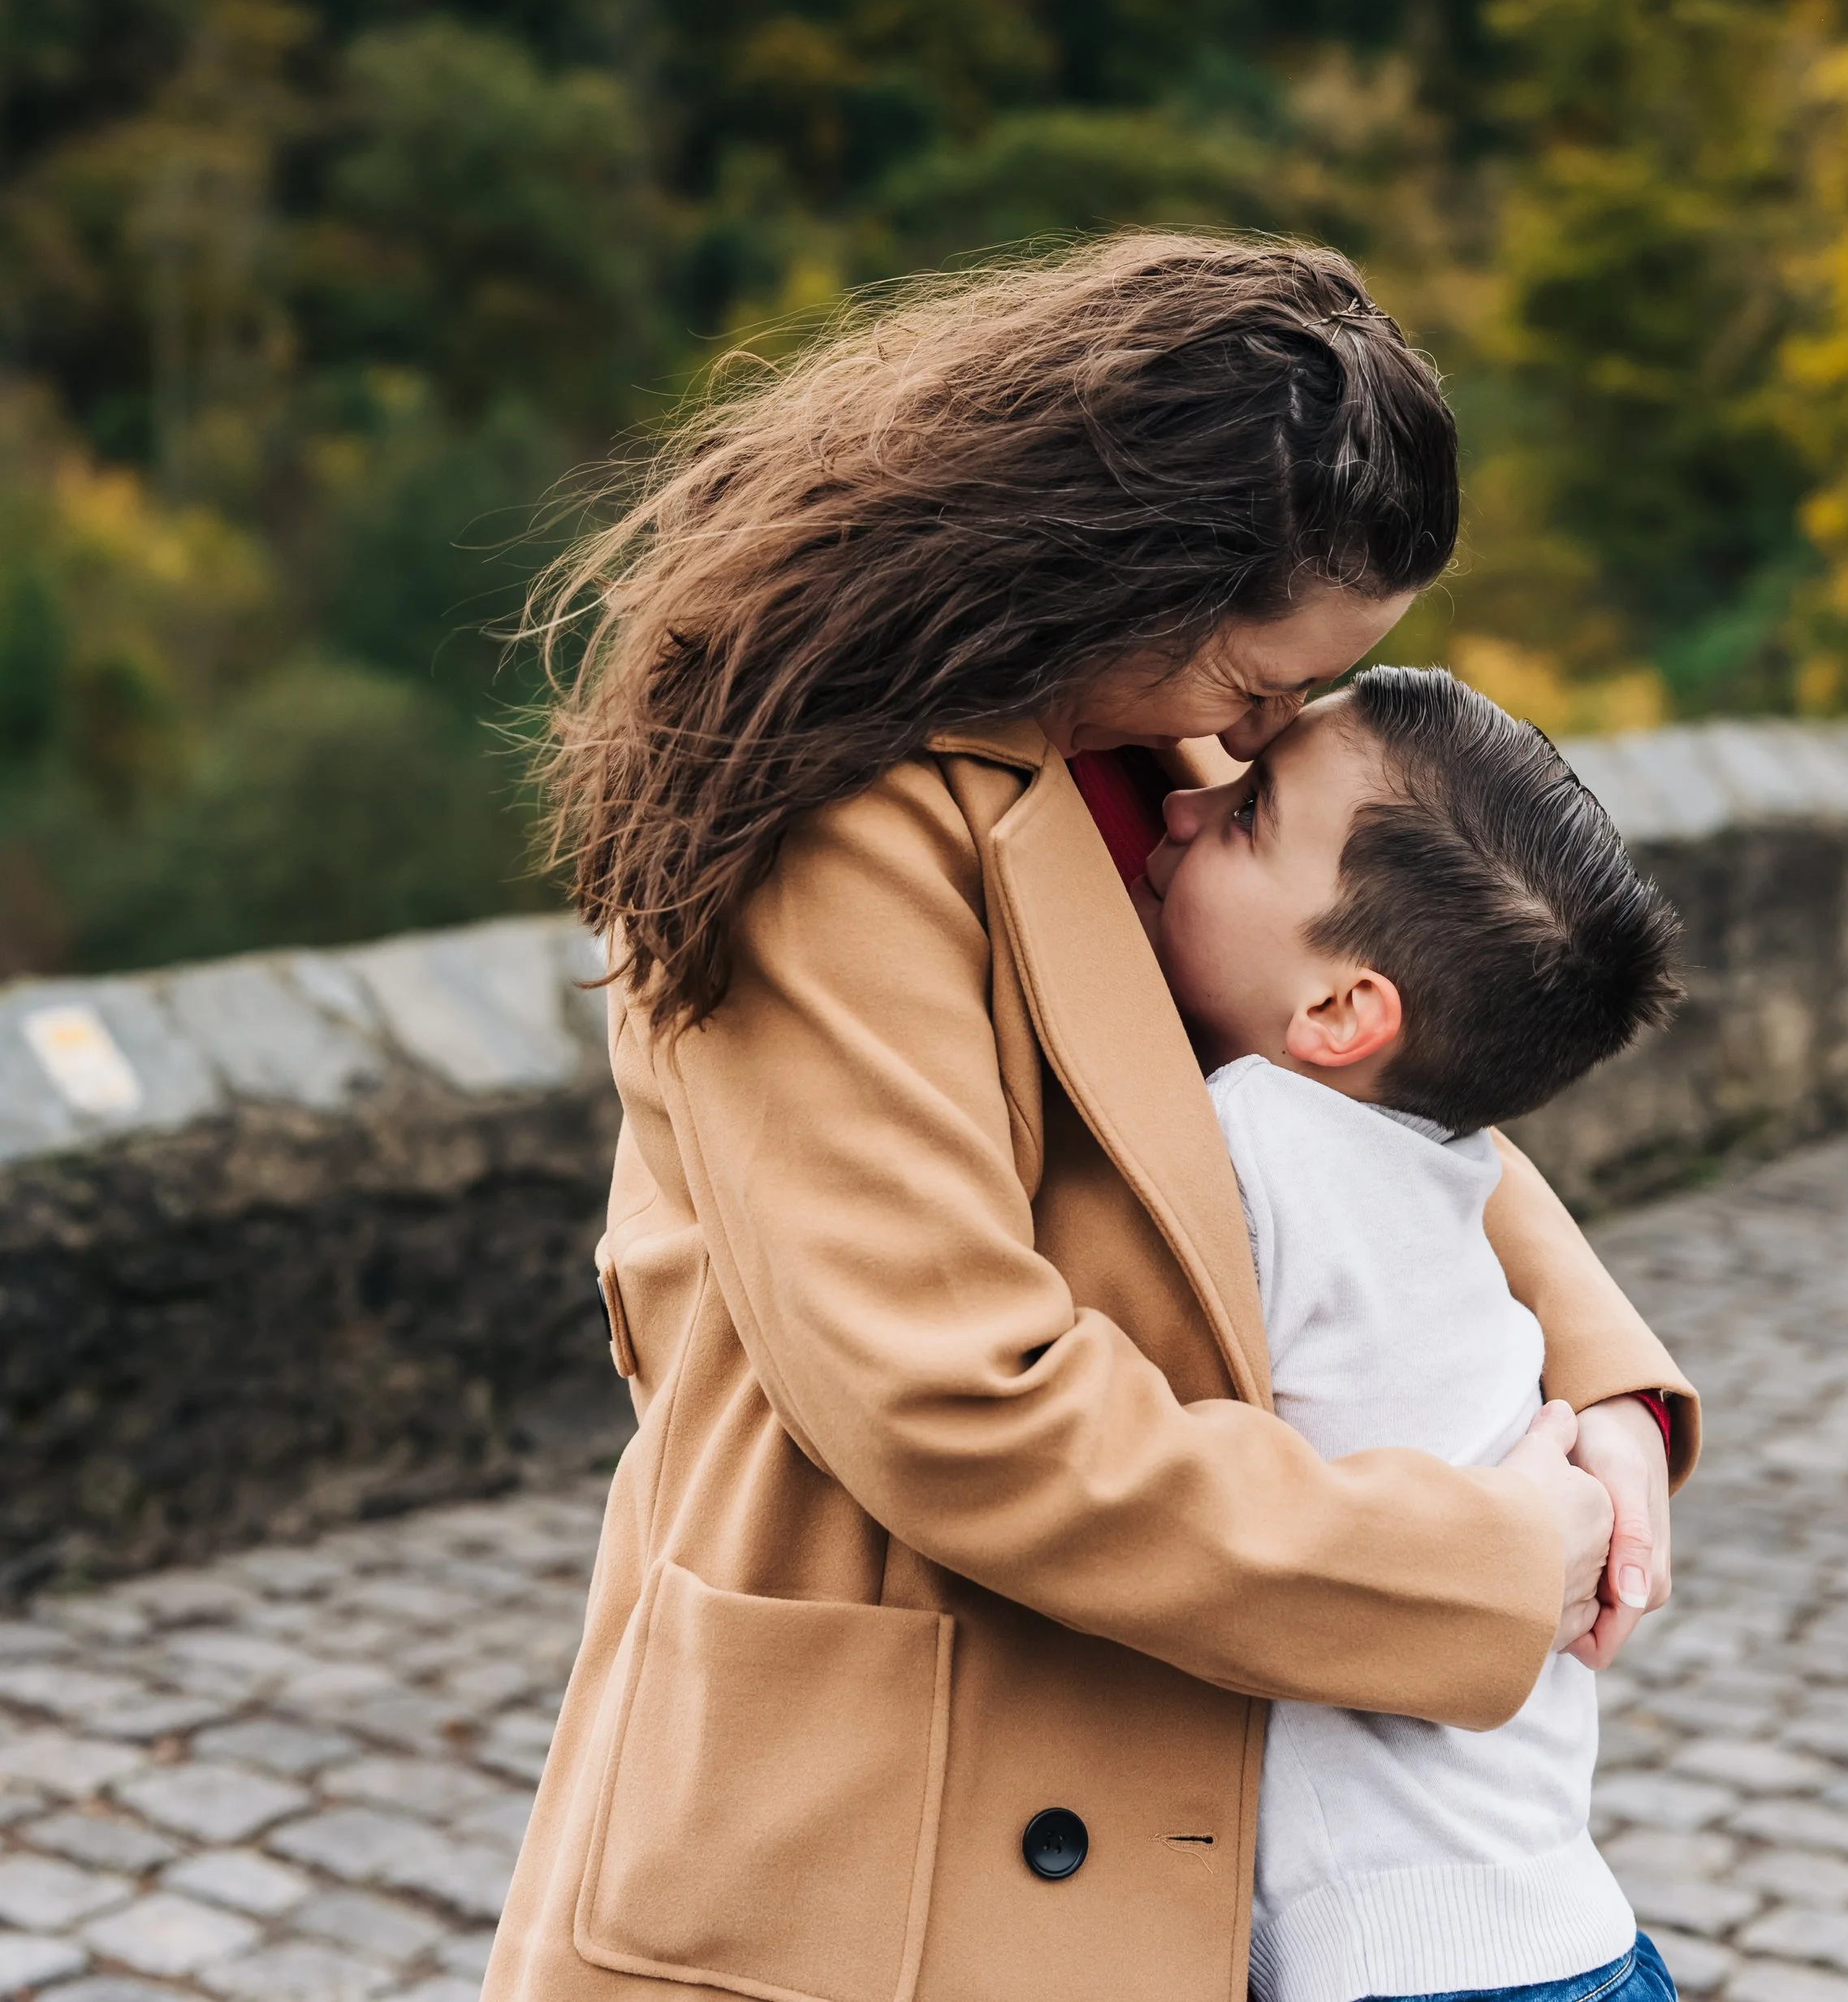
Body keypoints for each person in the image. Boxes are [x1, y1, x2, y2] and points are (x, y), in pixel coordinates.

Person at [484, 233, 1697, 2002]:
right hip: (895, 1770)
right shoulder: (831, 822)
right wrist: (1468, 1566)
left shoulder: (1158, 741)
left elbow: (1381, 1087)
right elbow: (956, 1406)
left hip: (1144, 1752)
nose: (1266, 731)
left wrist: (1597, 1386)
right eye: (1263, 684)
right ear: (1120, 573)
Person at [1142, 665, 1683, 2002]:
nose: (1189, 802)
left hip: (1408, 1966)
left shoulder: (1249, 1141)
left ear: (1340, 1010)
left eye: (1251, 812)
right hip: (1560, 1925)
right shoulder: (1433, 1147)